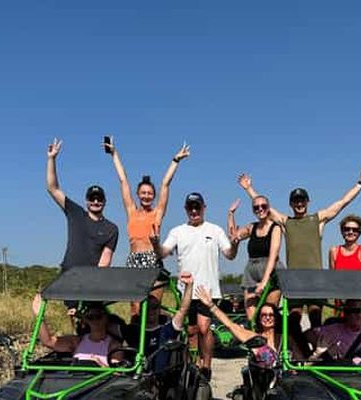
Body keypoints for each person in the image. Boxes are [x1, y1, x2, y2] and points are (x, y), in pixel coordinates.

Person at [237, 164, 361, 329]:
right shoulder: (285, 222)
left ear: (307, 201)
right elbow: (264, 206)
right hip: (295, 281)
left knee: (315, 318)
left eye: (302, 200)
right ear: (291, 204)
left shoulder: (318, 219)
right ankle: (300, 353)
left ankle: (317, 354)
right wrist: (249, 189)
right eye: (296, 201)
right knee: (294, 321)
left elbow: (342, 202)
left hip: (316, 281)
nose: (299, 204)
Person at [152, 192, 239, 380]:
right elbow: (163, 252)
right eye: (190, 207)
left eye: (197, 207)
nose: (194, 210)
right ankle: (193, 365)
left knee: (203, 327)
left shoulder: (215, 230)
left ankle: (207, 366)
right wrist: (155, 243)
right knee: (191, 330)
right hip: (186, 290)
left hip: (208, 290)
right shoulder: (177, 231)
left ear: (203, 208)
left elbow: (230, 254)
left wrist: (235, 243)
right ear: (185, 209)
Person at [104, 138, 190, 314]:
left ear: (153, 195)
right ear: (137, 194)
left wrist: (176, 160)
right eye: (143, 193)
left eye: (150, 193)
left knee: (152, 307)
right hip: (134, 260)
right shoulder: (131, 211)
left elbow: (165, 184)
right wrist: (114, 154)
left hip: (152, 260)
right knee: (135, 308)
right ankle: (136, 340)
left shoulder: (157, 214)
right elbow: (123, 181)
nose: (146, 196)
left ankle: (154, 339)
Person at [46, 138, 119, 271]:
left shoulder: (112, 229)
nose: (96, 202)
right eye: (92, 198)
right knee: (39, 294)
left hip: (89, 280)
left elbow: (105, 261)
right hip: (67, 274)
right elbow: (53, 188)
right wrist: (52, 159)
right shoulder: (75, 212)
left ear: (105, 202)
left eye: (99, 199)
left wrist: (94, 284)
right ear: (86, 201)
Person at [195, 285, 304, 367]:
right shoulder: (255, 338)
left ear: (276, 317)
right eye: (264, 315)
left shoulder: (286, 339)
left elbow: (300, 361)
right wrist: (211, 305)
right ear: (259, 318)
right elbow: (230, 325)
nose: (267, 318)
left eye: (271, 315)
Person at [122, 272, 194, 372]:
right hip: (135, 380)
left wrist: (189, 286)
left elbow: (183, 310)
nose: (151, 311)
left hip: (160, 380)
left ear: (159, 309)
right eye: (147, 308)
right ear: (141, 310)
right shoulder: (132, 330)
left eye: (154, 307)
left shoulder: (167, 329)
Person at [227, 195, 283, 322]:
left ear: (268, 208)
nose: (260, 209)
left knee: (268, 316)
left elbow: (273, 256)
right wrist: (230, 215)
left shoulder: (276, 228)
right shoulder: (251, 227)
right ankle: (256, 340)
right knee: (252, 319)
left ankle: (272, 340)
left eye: (263, 206)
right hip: (251, 273)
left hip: (271, 273)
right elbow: (234, 235)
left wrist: (264, 281)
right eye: (256, 207)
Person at [31, 295, 120, 367]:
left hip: (101, 385)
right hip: (76, 382)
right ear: (86, 320)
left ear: (106, 318)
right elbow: (48, 341)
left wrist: (99, 365)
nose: (95, 321)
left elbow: (117, 373)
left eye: (98, 317)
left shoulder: (113, 345)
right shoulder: (77, 341)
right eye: (90, 317)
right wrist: (39, 316)